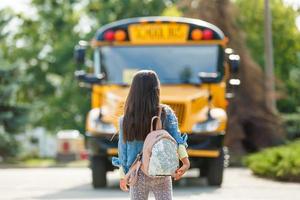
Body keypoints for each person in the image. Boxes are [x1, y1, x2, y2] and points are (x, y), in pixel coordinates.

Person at [112, 70, 190, 200]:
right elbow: (176, 139)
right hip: (161, 170)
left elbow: (123, 153)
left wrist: (123, 175)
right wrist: (185, 162)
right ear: (156, 89)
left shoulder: (126, 119)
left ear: (134, 91)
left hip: (137, 172)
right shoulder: (165, 113)